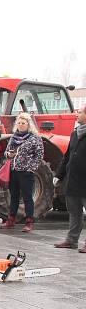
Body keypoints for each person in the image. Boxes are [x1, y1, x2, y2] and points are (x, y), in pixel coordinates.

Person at [0, 112, 44, 232]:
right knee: (14, 196)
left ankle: (29, 221)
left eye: (23, 123)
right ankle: (11, 219)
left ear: (28, 124)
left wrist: (31, 168)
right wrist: (9, 154)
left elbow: (39, 155)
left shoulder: (34, 138)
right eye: (19, 123)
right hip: (13, 170)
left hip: (26, 172)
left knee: (27, 197)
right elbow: (6, 152)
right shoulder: (13, 138)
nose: (21, 125)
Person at [55, 105, 86, 250]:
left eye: (80, 112)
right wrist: (59, 175)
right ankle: (71, 240)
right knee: (74, 213)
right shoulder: (75, 134)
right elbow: (67, 156)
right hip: (72, 182)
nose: (76, 114)